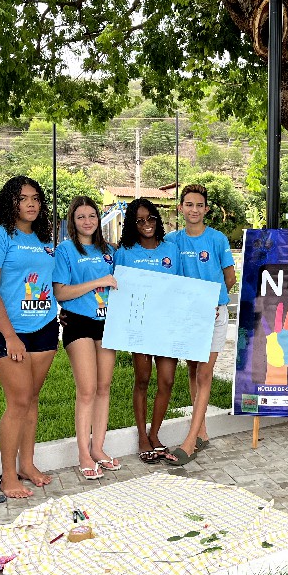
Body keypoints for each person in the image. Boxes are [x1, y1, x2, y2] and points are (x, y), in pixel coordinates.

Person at [0, 175, 58, 498]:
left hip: (45, 328)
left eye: (35, 198)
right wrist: (10, 336)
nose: (31, 204)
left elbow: (49, 281)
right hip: (7, 333)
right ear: (10, 202)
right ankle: (8, 476)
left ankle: (27, 465)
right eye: (23, 198)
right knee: (19, 400)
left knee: (32, 399)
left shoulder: (43, 238)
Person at [163, 184, 237, 466]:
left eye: (199, 205)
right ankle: (202, 431)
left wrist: (213, 300)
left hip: (214, 315)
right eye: (189, 204)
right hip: (186, 316)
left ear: (206, 209)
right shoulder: (172, 240)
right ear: (180, 208)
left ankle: (190, 441)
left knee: (205, 374)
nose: (194, 210)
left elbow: (230, 277)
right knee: (193, 370)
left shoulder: (217, 239)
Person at [52, 196, 120, 481]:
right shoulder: (65, 250)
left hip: (108, 324)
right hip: (78, 323)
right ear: (73, 221)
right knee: (88, 389)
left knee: (104, 388)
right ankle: (83, 453)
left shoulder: (110, 251)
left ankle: (98, 449)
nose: (87, 221)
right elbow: (60, 292)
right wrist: (98, 282)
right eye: (81, 217)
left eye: (92, 215)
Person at [114, 198, 183, 464]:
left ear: (157, 219)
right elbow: (117, 290)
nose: (146, 224)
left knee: (166, 380)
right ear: (132, 224)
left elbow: (183, 286)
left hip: (167, 326)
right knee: (142, 379)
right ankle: (143, 437)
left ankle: (155, 434)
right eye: (140, 220)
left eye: (151, 218)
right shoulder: (125, 253)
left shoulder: (171, 250)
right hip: (140, 327)